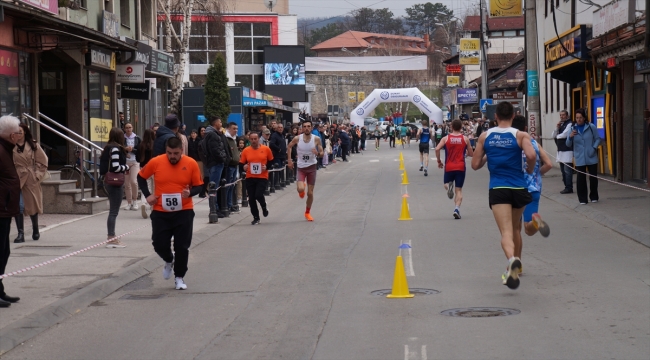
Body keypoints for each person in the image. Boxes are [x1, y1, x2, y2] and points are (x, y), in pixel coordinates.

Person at [471, 102, 536, 290]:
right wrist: (529, 170)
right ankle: (517, 263)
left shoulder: (485, 136)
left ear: (496, 117)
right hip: (518, 188)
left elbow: (475, 165)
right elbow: (531, 156)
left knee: (506, 232)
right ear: (513, 117)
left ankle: (512, 260)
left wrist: (487, 156)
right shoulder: (521, 135)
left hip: (498, 187)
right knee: (515, 228)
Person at [137, 136, 203, 290]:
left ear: (181, 151)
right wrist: (148, 195)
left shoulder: (191, 163)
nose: (172, 156)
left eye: (175, 153)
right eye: (169, 153)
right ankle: (168, 259)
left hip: (184, 211)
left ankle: (179, 277)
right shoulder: (156, 162)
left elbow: (199, 186)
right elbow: (141, 177)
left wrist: (190, 192)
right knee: (158, 243)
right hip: (161, 211)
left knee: (182, 246)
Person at [511, 115, 552, 242]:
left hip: (515, 187)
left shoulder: (511, 145)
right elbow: (549, 164)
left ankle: (515, 256)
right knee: (528, 229)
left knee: (515, 228)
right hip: (534, 188)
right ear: (525, 128)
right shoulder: (534, 144)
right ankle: (535, 220)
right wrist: (537, 173)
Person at [12, 123, 48, 243]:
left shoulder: (33, 145)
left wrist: (37, 175)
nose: (18, 134)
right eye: (15, 132)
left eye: (20, 132)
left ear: (25, 132)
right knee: (18, 206)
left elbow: (43, 161)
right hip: (16, 178)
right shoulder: (10, 145)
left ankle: (35, 228)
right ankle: (20, 234)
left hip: (30, 178)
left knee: (32, 205)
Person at [0, 115, 22, 307]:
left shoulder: (6, 149)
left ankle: (0, 290)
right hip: (1, 208)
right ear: (10, 135)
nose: (19, 136)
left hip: (5, 209)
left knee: (4, 251)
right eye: (17, 133)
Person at [435, 119, 474, 219]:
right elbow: (471, 154)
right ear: (461, 127)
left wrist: (439, 161)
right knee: (459, 190)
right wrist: (465, 153)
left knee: (446, 184)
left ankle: (448, 187)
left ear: (451, 127)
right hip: (460, 166)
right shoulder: (465, 139)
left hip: (449, 166)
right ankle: (457, 208)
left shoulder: (446, 138)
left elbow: (437, 149)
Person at [287, 120, 324, 221]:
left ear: (311, 128)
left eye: (308, 126)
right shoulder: (297, 138)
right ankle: (301, 187)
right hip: (301, 167)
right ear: (302, 128)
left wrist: (317, 153)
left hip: (312, 167)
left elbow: (322, 153)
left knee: (310, 193)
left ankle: (307, 213)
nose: (306, 128)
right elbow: (289, 146)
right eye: (305, 126)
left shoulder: (316, 139)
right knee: (301, 189)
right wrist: (289, 160)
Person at [100, 128, 130, 248]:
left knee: (113, 211)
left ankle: (112, 236)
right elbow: (115, 167)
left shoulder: (108, 147)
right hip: (115, 182)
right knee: (113, 212)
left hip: (108, 181)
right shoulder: (116, 149)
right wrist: (126, 167)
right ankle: (111, 237)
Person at [566, 108, 601, 205]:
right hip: (579, 157)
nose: (579, 119)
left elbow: (598, 139)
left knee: (593, 178)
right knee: (581, 179)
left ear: (584, 118)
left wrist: (593, 148)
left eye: (580, 117)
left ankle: (594, 196)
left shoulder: (591, 127)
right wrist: (570, 137)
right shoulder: (572, 129)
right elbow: (568, 144)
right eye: (577, 118)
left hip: (591, 156)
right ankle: (582, 199)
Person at [239, 132, 273, 225]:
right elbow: (241, 163)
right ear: (249, 140)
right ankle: (256, 217)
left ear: (259, 139)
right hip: (250, 176)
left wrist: (266, 167)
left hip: (262, 176)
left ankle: (264, 206)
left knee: (258, 195)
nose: (253, 141)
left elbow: (271, 161)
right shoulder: (246, 151)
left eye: (255, 139)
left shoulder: (266, 149)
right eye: (252, 139)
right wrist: (243, 167)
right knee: (251, 198)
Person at [203, 116, 230, 217]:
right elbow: (215, 150)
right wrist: (222, 159)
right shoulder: (212, 135)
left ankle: (217, 207)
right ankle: (214, 209)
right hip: (215, 164)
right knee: (214, 187)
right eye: (220, 121)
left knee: (217, 186)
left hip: (215, 163)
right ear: (215, 123)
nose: (221, 123)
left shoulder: (214, 133)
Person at [552, 110, 574, 194]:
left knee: (567, 171)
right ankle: (566, 186)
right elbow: (553, 135)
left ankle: (569, 187)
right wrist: (557, 127)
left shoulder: (570, 123)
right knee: (563, 171)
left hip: (567, 150)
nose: (562, 116)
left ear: (567, 116)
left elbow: (565, 134)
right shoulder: (560, 124)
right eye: (560, 115)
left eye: (563, 115)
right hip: (560, 150)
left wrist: (557, 136)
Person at [123, 123, 141, 211]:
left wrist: (132, 150)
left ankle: (135, 201)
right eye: (126, 128)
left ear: (132, 128)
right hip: (126, 162)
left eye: (130, 127)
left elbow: (140, 149)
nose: (128, 129)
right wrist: (125, 151)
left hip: (135, 162)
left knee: (134, 181)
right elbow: (119, 148)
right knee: (127, 183)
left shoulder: (137, 138)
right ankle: (129, 202)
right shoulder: (122, 138)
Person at [138, 129, 155, 219]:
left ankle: (143, 203)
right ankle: (153, 207)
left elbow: (137, 157)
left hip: (143, 168)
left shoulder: (141, 144)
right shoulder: (155, 144)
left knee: (145, 187)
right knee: (153, 188)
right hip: (153, 167)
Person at [225, 122, 241, 214]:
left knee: (232, 186)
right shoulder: (226, 138)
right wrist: (231, 159)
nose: (236, 130)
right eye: (234, 128)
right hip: (230, 166)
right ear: (228, 129)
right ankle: (226, 205)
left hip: (235, 165)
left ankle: (230, 204)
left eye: (236, 129)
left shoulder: (234, 139)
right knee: (228, 185)